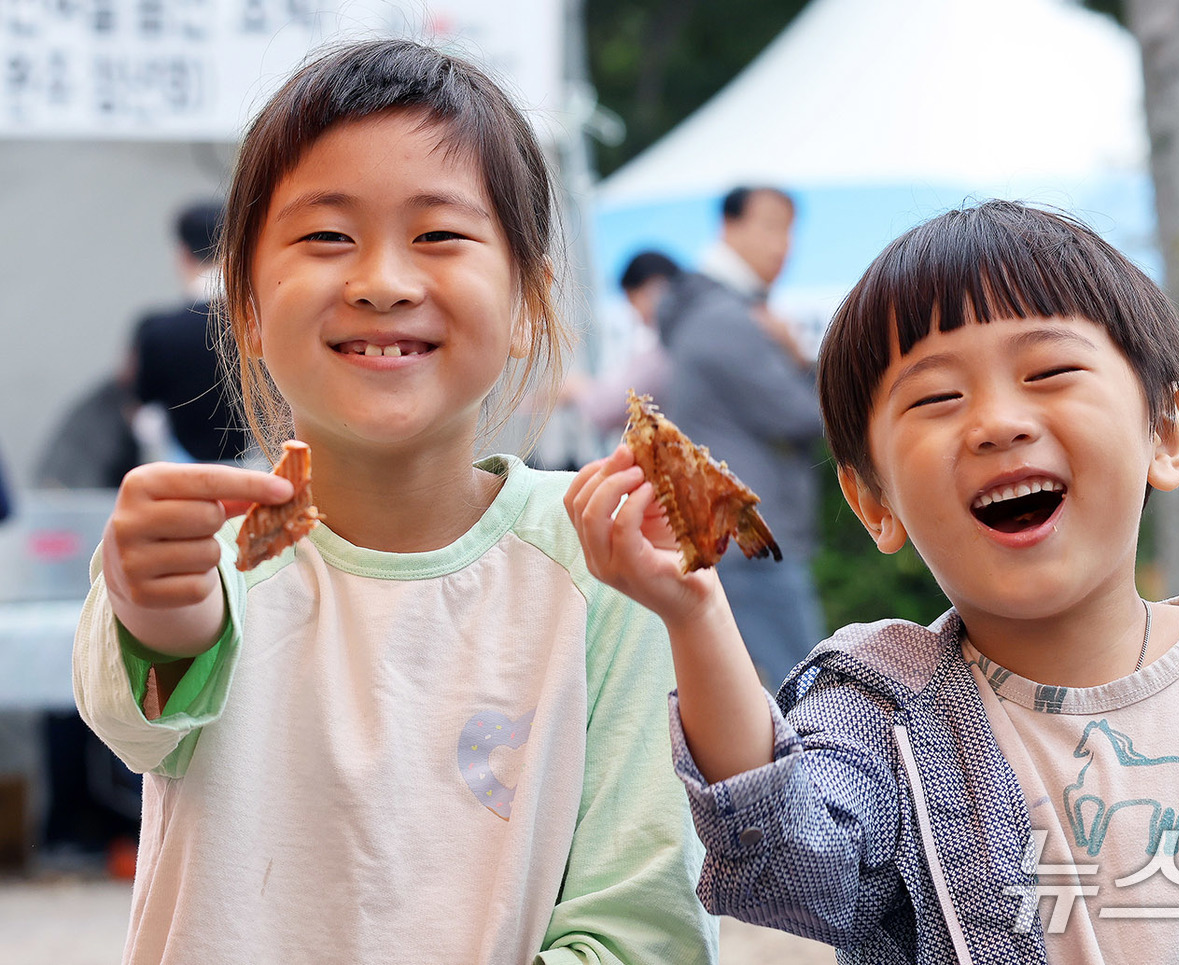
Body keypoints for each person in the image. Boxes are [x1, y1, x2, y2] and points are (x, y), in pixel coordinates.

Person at [566, 201, 1179, 961]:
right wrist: (696, 611)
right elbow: (785, 856)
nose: (998, 422)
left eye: (1049, 373)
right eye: (936, 398)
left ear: (1166, 432)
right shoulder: (881, 702)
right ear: (873, 502)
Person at [72, 39, 716, 965]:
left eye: (439, 235)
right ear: (247, 304)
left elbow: (643, 925)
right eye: (327, 236)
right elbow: (133, 714)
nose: (381, 280)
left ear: (530, 299)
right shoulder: (198, 544)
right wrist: (160, 612)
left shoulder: (605, 560)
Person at [657, 186, 825, 687]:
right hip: (750, 538)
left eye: (791, 231)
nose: (785, 245)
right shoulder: (727, 318)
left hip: (731, 533)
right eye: (771, 226)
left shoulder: (706, 309)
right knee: (806, 697)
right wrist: (802, 361)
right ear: (728, 228)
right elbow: (804, 414)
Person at [129, 199, 252, 463]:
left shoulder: (156, 331)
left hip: (187, 477)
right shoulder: (260, 324)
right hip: (264, 473)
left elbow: (143, 415)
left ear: (183, 254)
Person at [560, 250, 679, 434]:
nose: (637, 315)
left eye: (632, 301)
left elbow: (611, 407)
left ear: (653, 290)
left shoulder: (668, 347)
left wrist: (577, 389)